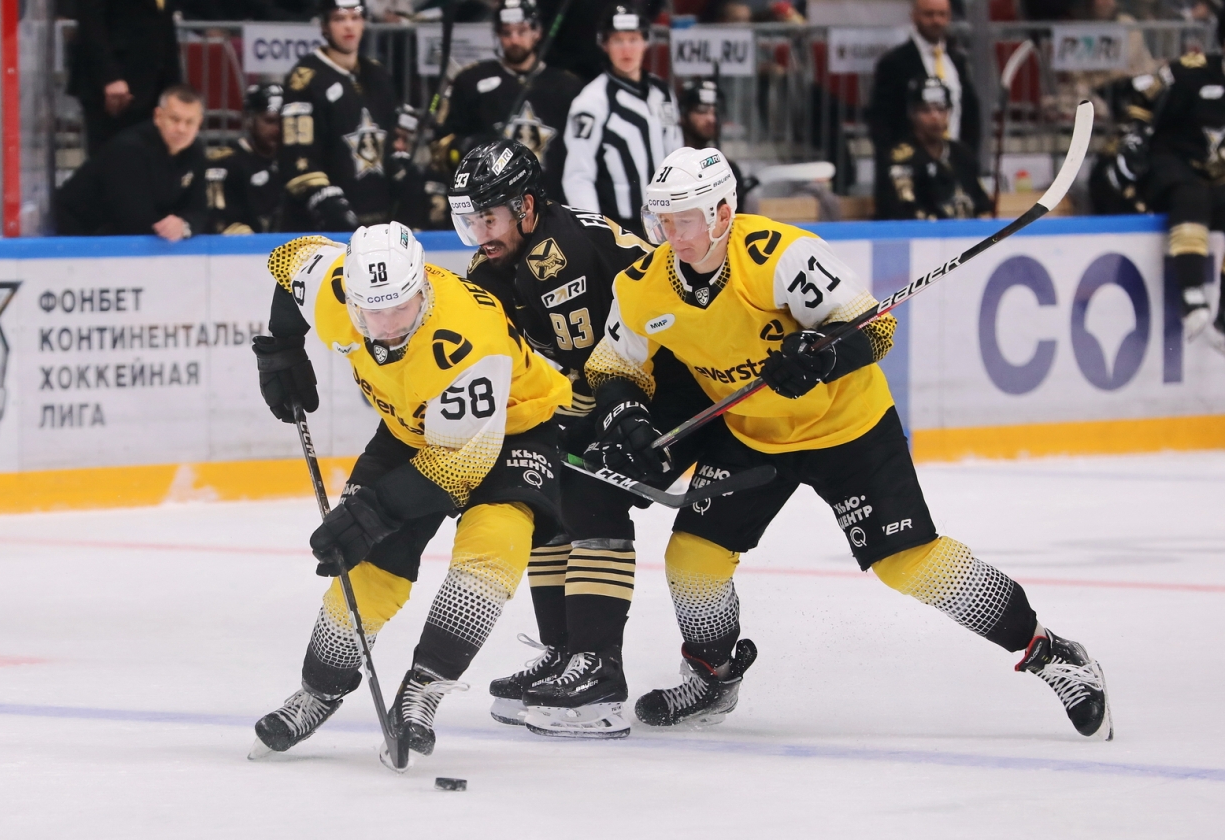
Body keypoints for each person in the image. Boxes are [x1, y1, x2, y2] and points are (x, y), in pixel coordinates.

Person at [580, 145, 1114, 741]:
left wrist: (820, 357)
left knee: (907, 563)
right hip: (753, 432)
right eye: (662, 221)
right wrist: (625, 412)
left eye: (685, 220)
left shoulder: (779, 255)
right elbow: (613, 365)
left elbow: (875, 327)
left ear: (723, 213)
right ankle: (714, 676)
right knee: (692, 557)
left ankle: (1052, 653)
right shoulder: (642, 284)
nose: (672, 236)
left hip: (848, 426)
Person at [250, 222, 570, 770]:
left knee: (490, 555)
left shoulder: (468, 338)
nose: (389, 325)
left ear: (422, 283)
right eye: (372, 312)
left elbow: (461, 463)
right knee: (366, 567)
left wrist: (374, 509)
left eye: (401, 306)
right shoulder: (334, 285)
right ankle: (318, 691)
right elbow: (289, 260)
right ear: (349, 296)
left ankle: (424, 689)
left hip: (513, 429)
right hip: (411, 430)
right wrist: (282, 346)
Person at [448, 139, 656, 737]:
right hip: (596, 386)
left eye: (489, 218)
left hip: (656, 380)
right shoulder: (492, 268)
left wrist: (593, 413)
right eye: (470, 221)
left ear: (527, 207)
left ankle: (600, 674)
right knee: (543, 501)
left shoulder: (564, 252)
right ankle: (565, 654)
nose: (480, 233)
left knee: (591, 501)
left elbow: (615, 351)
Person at [1118, 18, 1225, 352]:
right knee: (1191, 196)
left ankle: (1223, 316)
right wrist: (1136, 132)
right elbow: (1141, 92)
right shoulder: (1189, 70)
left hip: (1215, 177)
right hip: (1170, 165)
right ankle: (1191, 294)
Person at [438, 0, 584, 201]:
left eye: (522, 31)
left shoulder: (567, 87)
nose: (514, 40)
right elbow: (443, 144)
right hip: (491, 202)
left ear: (537, 32)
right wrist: (465, 148)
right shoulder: (470, 81)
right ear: (497, 34)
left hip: (553, 200)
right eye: (507, 33)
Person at [562, 3, 682, 236]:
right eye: (618, 40)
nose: (627, 49)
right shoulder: (591, 101)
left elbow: (676, 156)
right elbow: (578, 176)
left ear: (646, 41)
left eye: (633, 39)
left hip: (665, 223)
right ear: (604, 45)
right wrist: (595, 232)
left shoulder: (662, 92)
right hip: (618, 227)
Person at [277, 0, 398, 232]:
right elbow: (297, 154)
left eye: (355, 17)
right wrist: (322, 196)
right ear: (324, 26)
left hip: (378, 220)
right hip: (323, 226)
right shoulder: (305, 79)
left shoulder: (378, 75)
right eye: (339, 19)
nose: (349, 26)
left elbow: (391, 139)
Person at [55, 85, 207, 240]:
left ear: (199, 123)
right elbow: (134, 220)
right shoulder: (129, 149)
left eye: (190, 122)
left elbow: (199, 208)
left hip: (119, 236)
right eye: (174, 119)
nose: (181, 129)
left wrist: (184, 225)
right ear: (158, 117)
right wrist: (171, 228)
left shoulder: (195, 151)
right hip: (76, 234)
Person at [68, 0, 182, 157]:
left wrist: (174, 84)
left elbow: (162, 19)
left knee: (153, 160)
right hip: (116, 82)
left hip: (158, 80)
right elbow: (91, 19)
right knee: (112, 160)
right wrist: (110, 77)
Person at [869, 0, 980, 160]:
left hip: (954, 162)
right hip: (910, 163)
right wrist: (895, 161)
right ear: (914, 16)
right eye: (929, 14)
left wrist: (968, 157)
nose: (936, 20)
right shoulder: (894, 63)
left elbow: (969, 113)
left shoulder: (957, 61)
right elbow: (881, 120)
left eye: (942, 14)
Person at [875, 77, 992, 221]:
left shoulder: (962, 155)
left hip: (968, 232)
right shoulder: (900, 159)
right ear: (912, 114)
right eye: (926, 110)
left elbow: (982, 206)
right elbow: (904, 210)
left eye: (941, 109)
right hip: (923, 233)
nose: (935, 117)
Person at [206, 84, 285, 235]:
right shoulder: (224, 164)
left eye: (283, 121)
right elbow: (216, 220)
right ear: (248, 119)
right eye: (270, 121)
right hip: (243, 247)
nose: (278, 129)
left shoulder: (294, 161)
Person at [677, 79, 746, 211]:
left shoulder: (728, 169)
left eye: (716, 112)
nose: (711, 119)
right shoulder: (669, 165)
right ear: (683, 114)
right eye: (702, 111)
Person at [385, 104, 453, 231]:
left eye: (406, 140)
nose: (399, 146)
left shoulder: (440, 178)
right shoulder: (388, 174)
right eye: (396, 138)